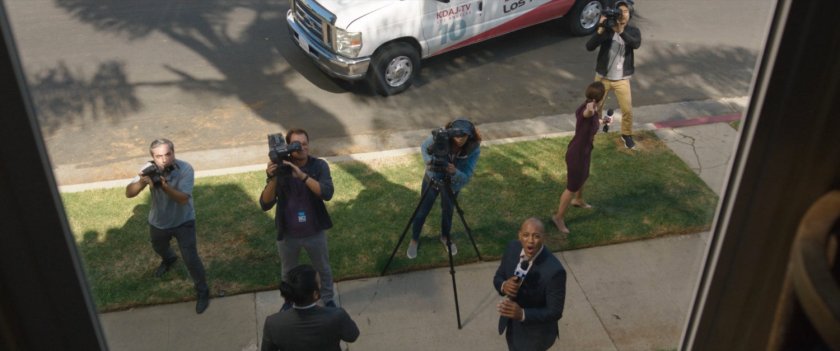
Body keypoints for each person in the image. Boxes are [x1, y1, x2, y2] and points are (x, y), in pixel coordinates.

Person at [125, 138, 210, 314]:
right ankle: (169, 259)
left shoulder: (186, 169)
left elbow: (182, 199)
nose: (164, 160)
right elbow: (128, 193)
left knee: (191, 258)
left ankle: (202, 291)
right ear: (152, 158)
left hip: (184, 221)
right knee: (158, 246)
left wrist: (163, 186)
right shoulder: (147, 169)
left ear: (173, 153)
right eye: (159, 156)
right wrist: (142, 181)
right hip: (158, 222)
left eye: (168, 154)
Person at [260, 128, 336, 309]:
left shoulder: (319, 166)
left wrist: (302, 176)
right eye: (296, 144)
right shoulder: (281, 168)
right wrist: (273, 178)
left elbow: (327, 193)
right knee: (287, 272)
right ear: (288, 147)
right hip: (288, 234)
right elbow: (265, 203)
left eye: (304, 144)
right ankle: (288, 301)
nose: (301, 147)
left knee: (323, 268)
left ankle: (328, 299)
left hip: (314, 231)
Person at [407, 118, 481, 259]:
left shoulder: (474, 148)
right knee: (422, 211)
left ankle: (445, 237)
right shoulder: (440, 136)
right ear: (451, 132)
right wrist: (429, 162)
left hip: (452, 183)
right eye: (457, 135)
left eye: (463, 135)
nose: (459, 139)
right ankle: (414, 239)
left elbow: (467, 175)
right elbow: (424, 147)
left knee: (448, 211)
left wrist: (455, 172)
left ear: (470, 135)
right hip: (432, 178)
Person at [494, 217, 566, 351]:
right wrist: (504, 286)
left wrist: (522, 314)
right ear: (519, 235)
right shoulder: (512, 248)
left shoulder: (555, 271)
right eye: (526, 235)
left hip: (535, 337)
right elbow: (498, 276)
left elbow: (555, 312)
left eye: (536, 236)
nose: (530, 240)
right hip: (512, 326)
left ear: (543, 238)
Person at [261, 264, 359, 351]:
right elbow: (352, 336)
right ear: (315, 294)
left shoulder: (273, 323)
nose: (321, 285)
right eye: (319, 283)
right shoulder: (337, 316)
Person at [552, 82, 608, 234]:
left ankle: (578, 200)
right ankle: (558, 217)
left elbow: (592, 120)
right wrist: (590, 111)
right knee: (571, 187)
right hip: (577, 154)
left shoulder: (591, 108)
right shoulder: (587, 110)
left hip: (584, 151)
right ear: (600, 98)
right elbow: (586, 115)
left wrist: (603, 121)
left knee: (584, 176)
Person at [585, 0, 641, 149]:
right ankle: (592, 131)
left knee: (627, 110)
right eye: (620, 11)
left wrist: (620, 31)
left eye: (625, 11)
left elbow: (635, 44)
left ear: (630, 14)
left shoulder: (633, 31)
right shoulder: (607, 30)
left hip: (622, 79)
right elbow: (589, 47)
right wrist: (600, 29)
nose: (622, 15)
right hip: (603, 77)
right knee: (595, 107)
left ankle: (626, 134)